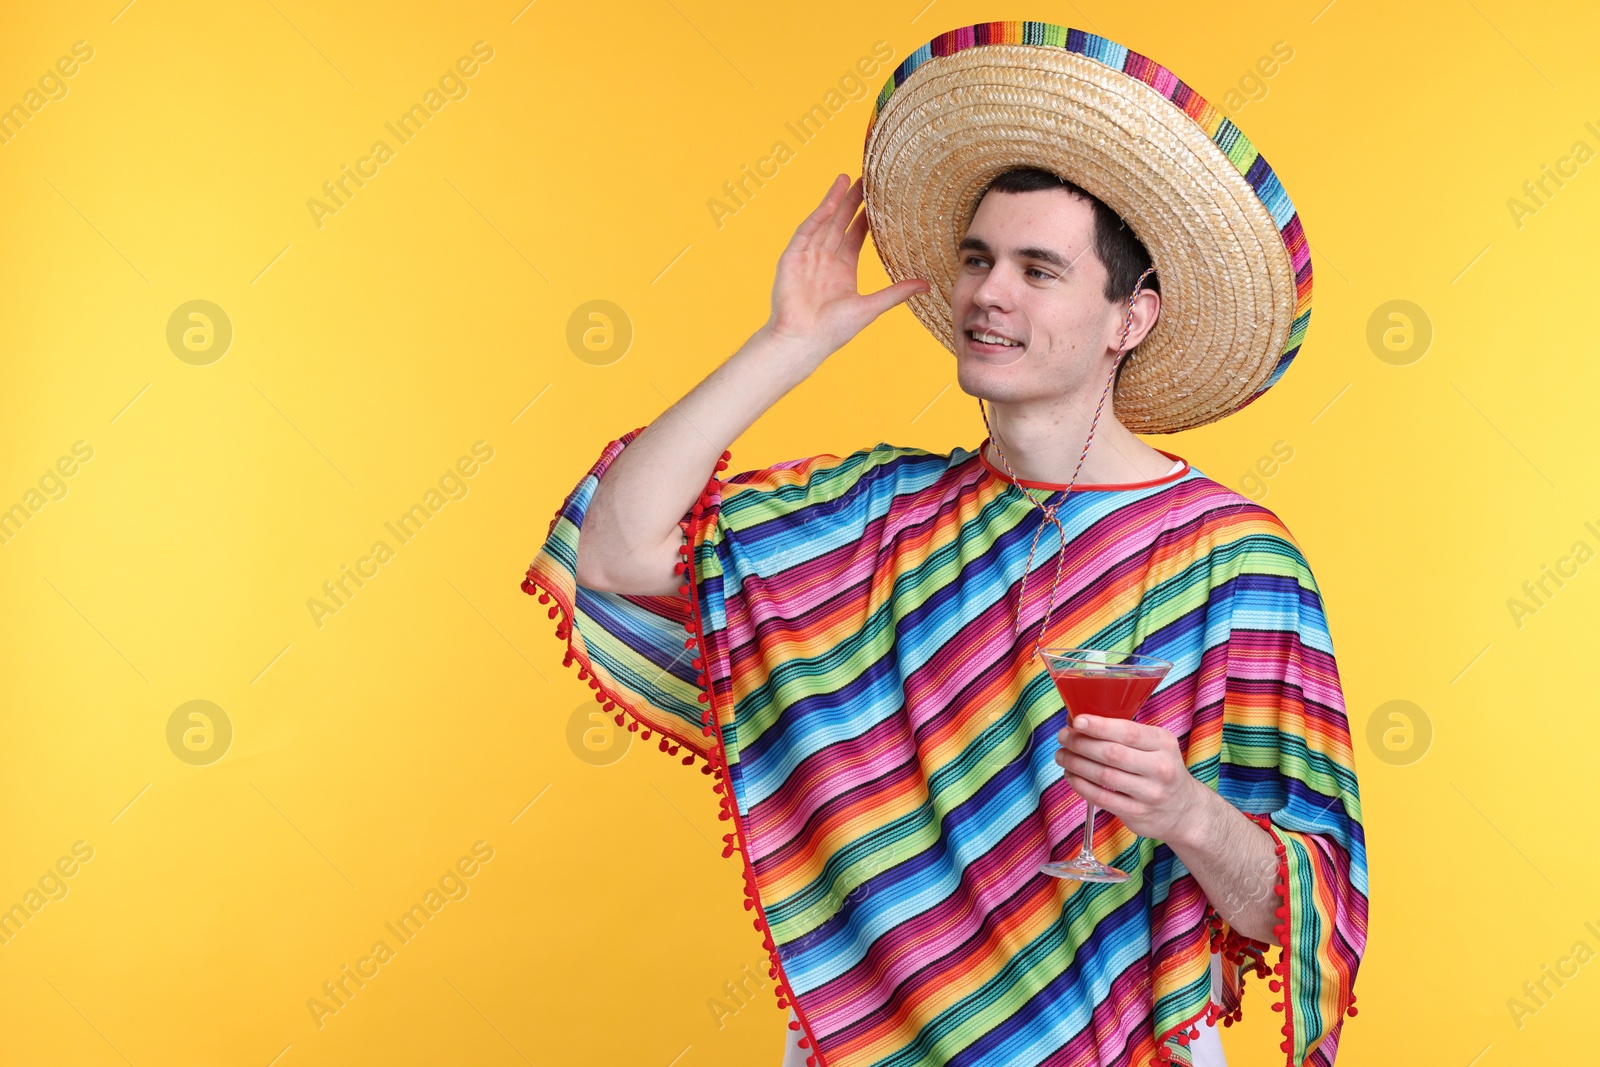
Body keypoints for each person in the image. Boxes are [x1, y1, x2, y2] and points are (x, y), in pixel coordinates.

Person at [523, 23, 1366, 1067]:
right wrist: (787, 340)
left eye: (1037, 268)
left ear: (1128, 317)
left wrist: (1186, 812)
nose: (987, 292)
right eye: (976, 258)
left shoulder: (1230, 562)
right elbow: (614, 550)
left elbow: (1305, 898)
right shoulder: (879, 513)